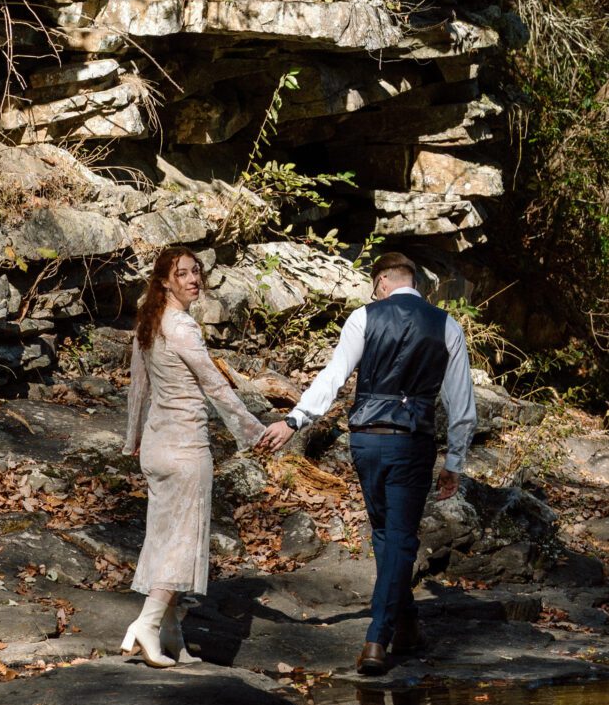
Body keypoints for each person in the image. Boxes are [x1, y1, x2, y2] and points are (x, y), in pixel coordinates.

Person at [258, 252, 476, 675]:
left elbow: (334, 376)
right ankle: (379, 637)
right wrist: (455, 460)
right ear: (414, 282)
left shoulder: (363, 317)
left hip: (367, 440)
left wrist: (295, 419)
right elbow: (462, 403)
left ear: (382, 281)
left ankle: (405, 625)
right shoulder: (446, 325)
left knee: (385, 533)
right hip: (412, 442)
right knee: (400, 537)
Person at [121, 246, 266, 668]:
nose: (193, 279)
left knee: (163, 537)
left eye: (196, 272)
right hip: (185, 447)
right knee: (182, 542)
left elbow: (138, 388)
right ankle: (147, 623)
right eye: (182, 273)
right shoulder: (181, 326)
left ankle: (172, 636)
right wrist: (253, 431)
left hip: (156, 447)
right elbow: (215, 386)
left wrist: (133, 440)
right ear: (165, 281)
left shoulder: (149, 322)